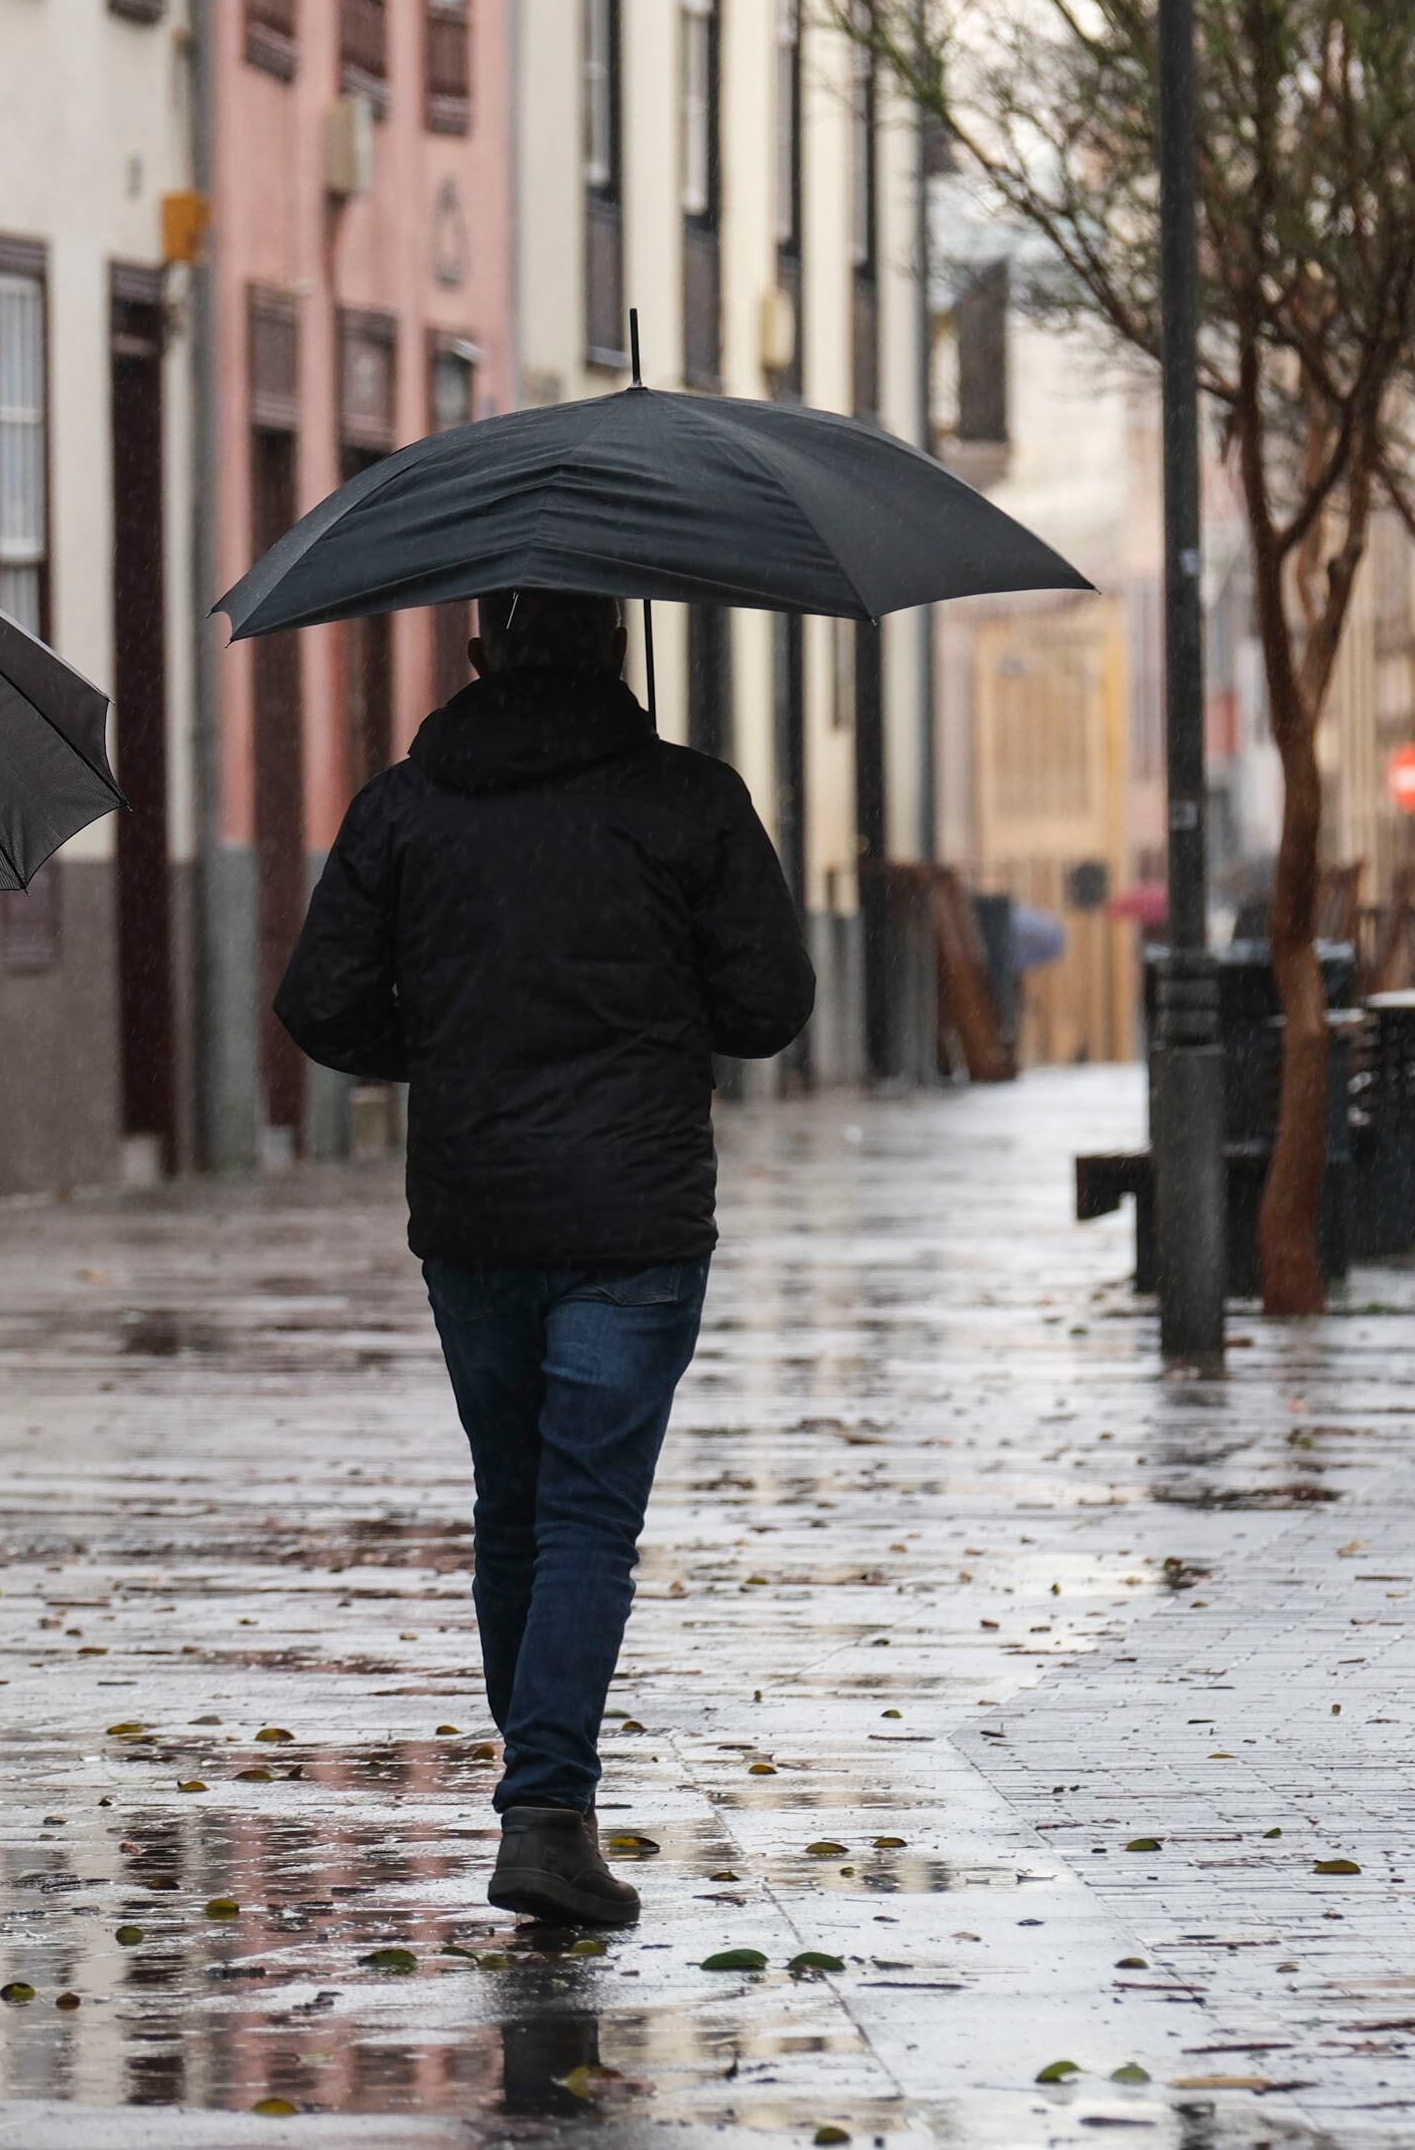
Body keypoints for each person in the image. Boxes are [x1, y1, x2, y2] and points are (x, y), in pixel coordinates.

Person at [277, 591, 813, 1929]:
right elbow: (767, 1008)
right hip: (632, 1212)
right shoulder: (691, 801)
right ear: (617, 648)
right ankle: (545, 1811)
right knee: (585, 1514)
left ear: (479, 656)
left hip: (475, 1213)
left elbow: (322, 1004)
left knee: (513, 1505)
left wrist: (452, 1047)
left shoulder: (405, 806)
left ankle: (543, 1800)